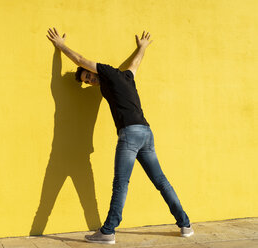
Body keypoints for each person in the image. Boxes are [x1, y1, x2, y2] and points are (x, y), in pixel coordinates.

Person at [46, 27, 194, 244]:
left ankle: (108, 231)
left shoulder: (107, 71)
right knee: (161, 180)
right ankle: (186, 225)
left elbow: (79, 58)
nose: (90, 81)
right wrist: (142, 48)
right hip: (146, 133)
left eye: (88, 76)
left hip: (130, 134)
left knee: (121, 183)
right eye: (87, 81)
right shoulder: (125, 77)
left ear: (95, 71)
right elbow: (135, 65)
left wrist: (60, 46)